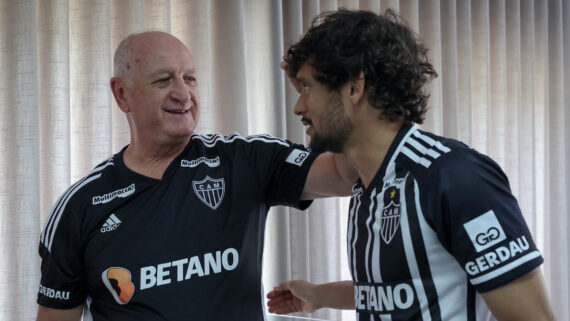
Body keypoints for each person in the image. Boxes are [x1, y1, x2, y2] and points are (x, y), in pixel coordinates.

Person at [36, 31, 357, 321]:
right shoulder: (79, 207)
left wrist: (331, 97)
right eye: (163, 80)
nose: (183, 94)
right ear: (122, 94)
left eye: (190, 78)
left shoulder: (245, 159)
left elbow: (345, 176)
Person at [266, 9, 556, 321]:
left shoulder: (454, 176)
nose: (298, 106)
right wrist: (320, 295)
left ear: (353, 88)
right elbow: (399, 290)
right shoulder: (367, 185)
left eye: (307, 87)